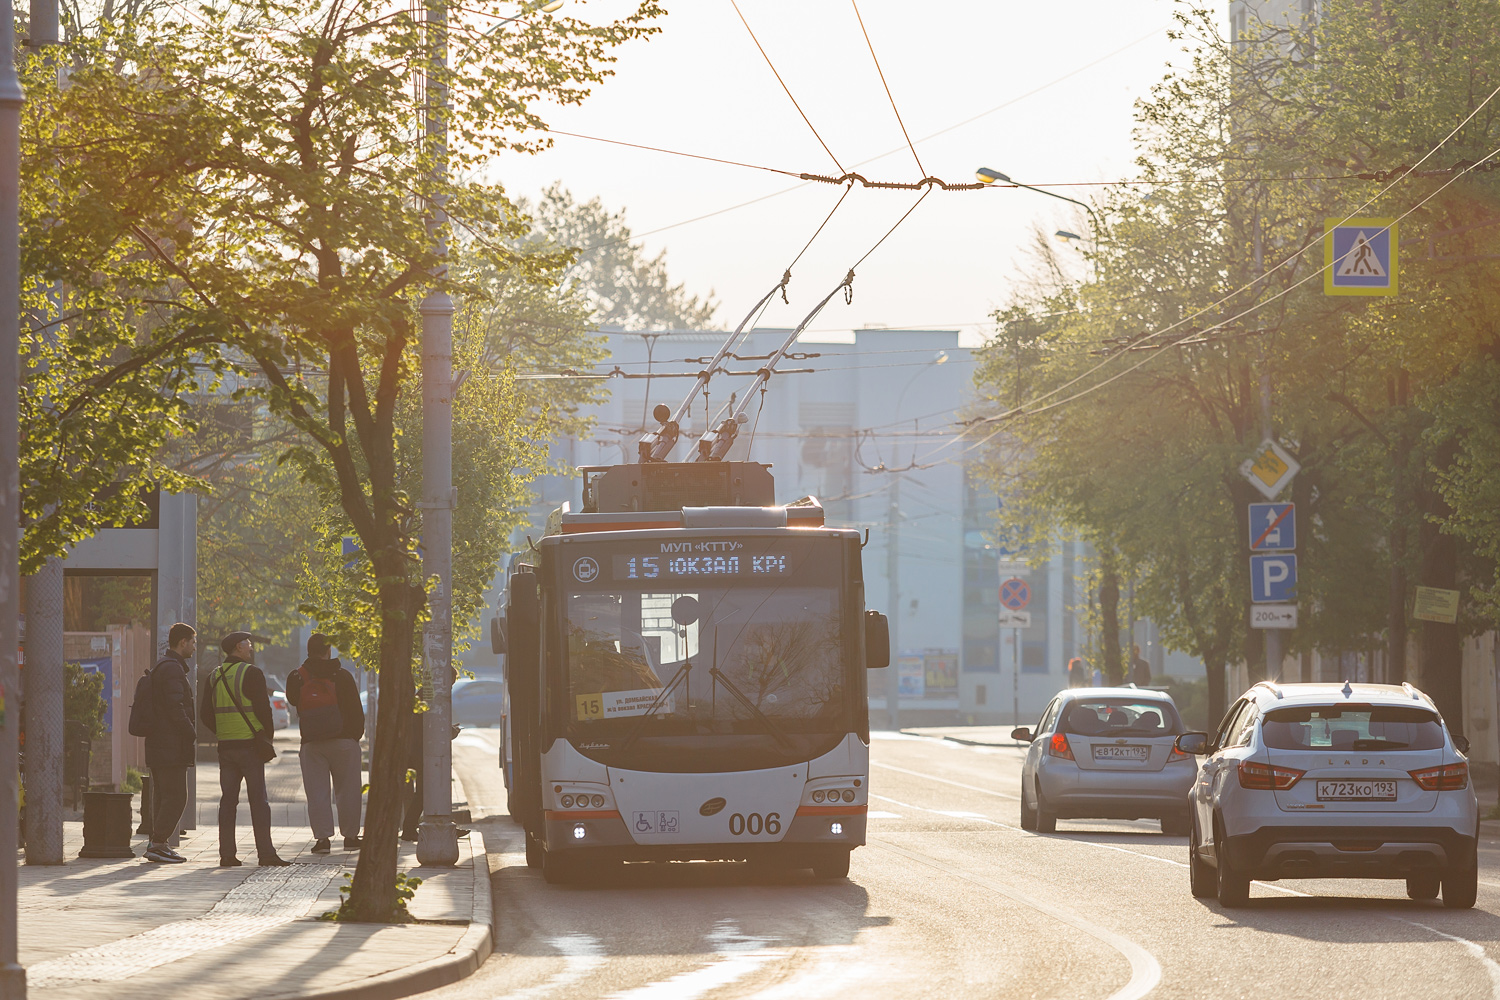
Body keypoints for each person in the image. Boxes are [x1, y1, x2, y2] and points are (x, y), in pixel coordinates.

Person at [199, 631, 290, 867]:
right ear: (238, 647)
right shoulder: (252, 673)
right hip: (249, 746)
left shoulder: (214, 676)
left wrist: (222, 731)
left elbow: (205, 715)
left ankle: (227, 855)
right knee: (259, 801)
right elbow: (263, 709)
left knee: (228, 802)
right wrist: (266, 737)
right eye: (248, 645)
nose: (251, 648)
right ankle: (266, 854)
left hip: (226, 747)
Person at [287, 633, 365, 854]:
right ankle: (350, 836)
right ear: (328, 651)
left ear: (309, 651)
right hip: (343, 741)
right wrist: (354, 737)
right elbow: (355, 709)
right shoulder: (342, 676)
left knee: (317, 793)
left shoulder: (297, 676)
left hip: (312, 743)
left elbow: (293, 700)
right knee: (348, 790)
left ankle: (322, 840)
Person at [143, 623, 197, 864]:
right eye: (193, 642)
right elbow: (175, 707)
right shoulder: (172, 670)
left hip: (160, 744)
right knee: (176, 796)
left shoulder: (164, 667)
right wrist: (190, 731)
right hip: (170, 745)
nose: (195, 647)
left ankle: (158, 843)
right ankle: (158, 843)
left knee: (164, 795)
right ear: (182, 642)